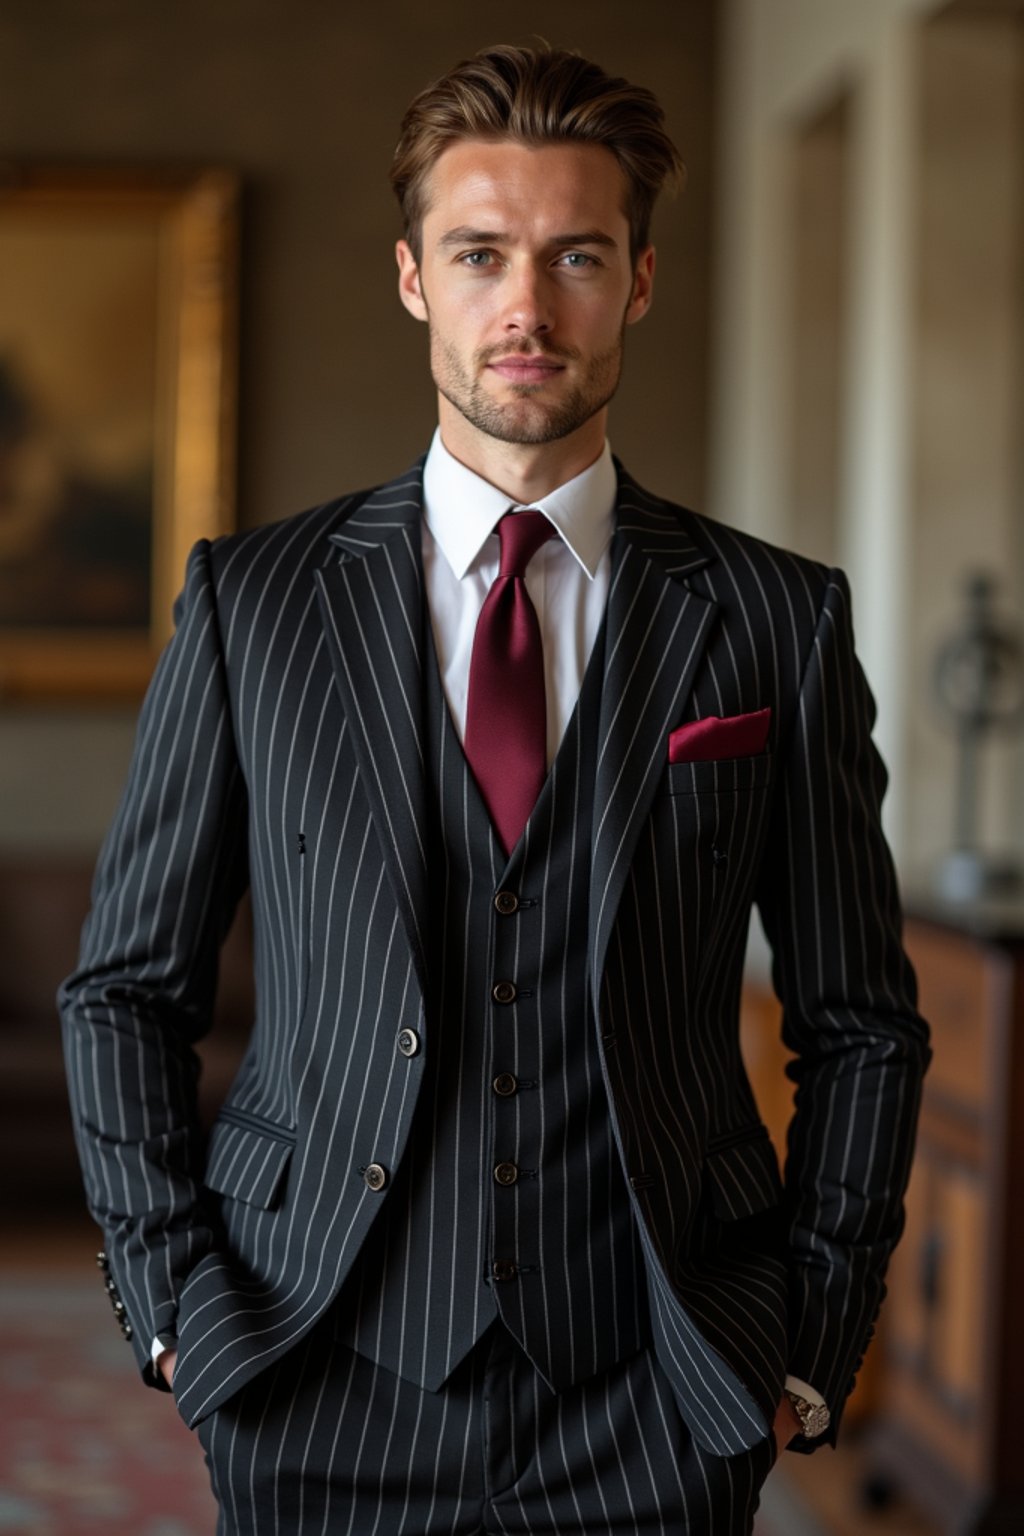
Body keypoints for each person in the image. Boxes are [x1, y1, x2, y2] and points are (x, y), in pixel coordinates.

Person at [61, 43, 930, 1536]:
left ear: (641, 279)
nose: (526, 308)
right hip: (312, 1364)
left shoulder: (775, 618)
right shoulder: (255, 604)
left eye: (576, 255)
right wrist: (175, 1309)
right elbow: (127, 993)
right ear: (414, 279)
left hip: (658, 1383)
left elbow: (860, 1022)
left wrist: (809, 1327)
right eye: (481, 256)